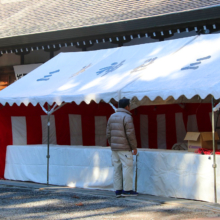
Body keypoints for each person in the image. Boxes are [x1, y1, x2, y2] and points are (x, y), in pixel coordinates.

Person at [106, 98, 138, 197]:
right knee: (127, 168)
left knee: (116, 168)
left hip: (115, 148)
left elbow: (108, 133)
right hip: (125, 148)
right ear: (127, 106)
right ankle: (127, 190)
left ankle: (118, 190)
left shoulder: (112, 116)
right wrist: (134, 147)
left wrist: (112, 144)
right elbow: (130, 134)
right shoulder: (127, 117)